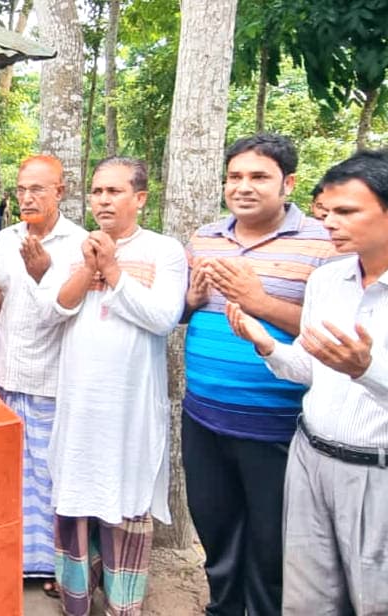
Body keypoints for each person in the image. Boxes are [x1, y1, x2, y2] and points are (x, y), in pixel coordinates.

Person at [228, 149, 388, 615]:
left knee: (375, 600)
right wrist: (267, 345)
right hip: (310, 458)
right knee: (306, 600)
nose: (329, 223)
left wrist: (366, 369)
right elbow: (309, 370)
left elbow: (358, 372)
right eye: (327, 212)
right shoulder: (329, 279)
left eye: (346, 212)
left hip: (375, 473)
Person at [182, 134, 335, 616]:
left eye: (258, 177)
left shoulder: (323, 244)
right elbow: (189, 314)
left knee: (273, 547)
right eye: (235, 177)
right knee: (217, 536)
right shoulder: (205, 237)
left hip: (277, 423)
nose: (243, 187)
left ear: (288, 183)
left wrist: (261, 302)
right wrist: (190, 301)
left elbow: (331, 333)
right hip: (203, 416)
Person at [45, 157, 186, 616]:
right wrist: (90, 268)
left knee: (124, 492)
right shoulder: (74, 246)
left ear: (140, 199)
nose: (102, 200)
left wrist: (114, 269)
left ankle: (123, 604)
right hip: (80, 402)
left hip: (130, 406)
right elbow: (56, 306)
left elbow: (163, 317)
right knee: (77, 489)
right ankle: (77, 600)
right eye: (97, 191)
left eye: (114, 191)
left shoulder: (165, 251)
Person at [0, 155, 87, 589]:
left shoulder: (78, 243)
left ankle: (54, 569)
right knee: (2, 473)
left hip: (48, 378)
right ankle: (7, 559)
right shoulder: (6, 239)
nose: (27, 197)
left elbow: (64, 312)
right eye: (21, 189)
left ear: (62, 190)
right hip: (1, 372)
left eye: (38, 189)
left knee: (47, 478)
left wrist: (43, 274)